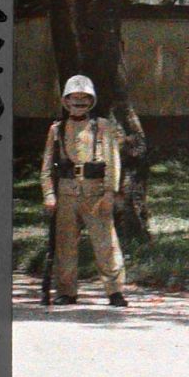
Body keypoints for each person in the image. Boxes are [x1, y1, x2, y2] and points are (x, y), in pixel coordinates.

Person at [42, 74, 130, 307]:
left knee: (105, 242)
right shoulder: (57, 130)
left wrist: (109, 193)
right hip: (66, 193)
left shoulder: (102, 127)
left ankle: (115, 290)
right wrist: (49, 194)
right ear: (66, 101)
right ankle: (66, 291)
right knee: (65, 245)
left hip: (95, 193)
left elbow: (112, 161)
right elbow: (47, 167)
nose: (79, 102)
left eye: (84, 98)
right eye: (74, 98)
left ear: (91, 101)